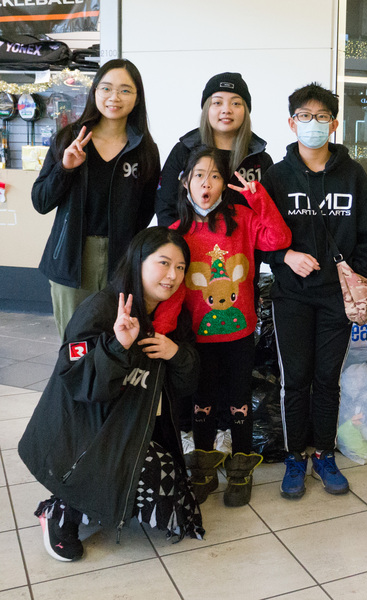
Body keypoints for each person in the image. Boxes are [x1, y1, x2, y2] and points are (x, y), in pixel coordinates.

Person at [18, 227, 202, 562]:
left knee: (174, 497)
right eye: (163, 263)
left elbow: (187, 385)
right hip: (84, 433)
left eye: (180, 268)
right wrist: (118, 346)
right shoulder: (102, 308)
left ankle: (98, 494)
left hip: (132, 426)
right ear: (138, 261)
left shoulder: (173, 316)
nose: (172, 275)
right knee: (132, 478)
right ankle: (61, 511)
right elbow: (76, 380)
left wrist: (176, 352)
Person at [261, 83, 367, 500]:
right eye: (304, 115)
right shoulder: (276, 177)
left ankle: (324, 454)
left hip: (335, 297)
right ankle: (296, 455)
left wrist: (356, 280)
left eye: (321, 117)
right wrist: (285, 258)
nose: (312, 124)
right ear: (291, 122)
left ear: (334, 124)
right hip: (292, 296)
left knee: (327, 379)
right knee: (295, 379)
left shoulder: (352, 174)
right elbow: (261, 238)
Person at [171, 147, 291, 507]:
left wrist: (259, 197)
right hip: (197, 338)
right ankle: (203, 469)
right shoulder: (176, 230)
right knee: (202, 402)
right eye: (198, 175)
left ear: (225, 183)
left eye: (215, 175)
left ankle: (241, 468)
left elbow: (279, 239)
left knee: (239, 401)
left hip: (239, 334)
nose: (206, 183)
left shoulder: (242, 217)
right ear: (185, 182)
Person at [32, 59, 160, 339]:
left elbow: (147, 209)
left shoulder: (145, 150)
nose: (114, 97)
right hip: (72, 257)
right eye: (106, 88)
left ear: (137, 98)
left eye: (126, 90)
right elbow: (41, 201)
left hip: (121, 259)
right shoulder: (69, 139)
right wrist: (65, 169)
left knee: (115, 343)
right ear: (94, 93)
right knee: (73, 346)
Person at [156, 72, 273, 227]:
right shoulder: (184, 151)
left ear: (246, 111)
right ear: (206, 109)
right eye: (217, 103)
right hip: (188, 246)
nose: (226, 110)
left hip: (246, 249)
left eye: (236, 103)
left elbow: (270, 214)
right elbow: (165, 208)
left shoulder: (259, 158)